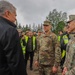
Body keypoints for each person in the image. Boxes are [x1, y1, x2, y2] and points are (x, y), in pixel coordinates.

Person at [0, 1, 26, 75]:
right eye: (15, 15)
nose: (15, 19)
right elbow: (16, 64)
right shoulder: (9, 30)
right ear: (7, 13)